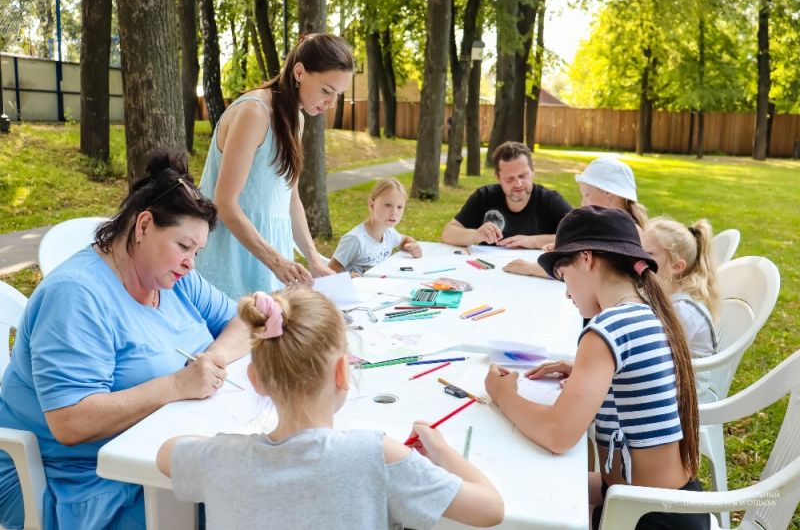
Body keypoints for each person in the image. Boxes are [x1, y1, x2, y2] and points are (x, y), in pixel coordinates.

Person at [0, 150, 250, 530]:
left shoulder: (174, 278)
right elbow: (71, 423)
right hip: (68, 478)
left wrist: (210, 360)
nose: (191, 262)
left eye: (197, 252)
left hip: (150, 450)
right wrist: (177, 385)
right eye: (184, 247)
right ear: (144, 225)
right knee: (230, 508)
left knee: (247, 490)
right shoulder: (76, 295)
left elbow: (245, 323)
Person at [156, 287, 504, 529]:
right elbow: (491, 509)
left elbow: (166, 453)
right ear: (342, 372)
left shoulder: (218, 458)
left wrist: (226, 448)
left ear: (255, 378)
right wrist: (441, 450)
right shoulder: (377, 456)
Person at [485, 206, 708, 530]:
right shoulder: (646, 312)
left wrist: (502, 394)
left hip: (646, 518)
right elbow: (635, 380)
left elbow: (557, 434)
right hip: (668, 505)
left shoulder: (608, 327)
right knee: (530, 487)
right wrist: (583, 370)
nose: (566, 291)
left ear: (586, 258)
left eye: (564, 274)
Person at [195, 33, 354, 299]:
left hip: (270, 257)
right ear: (300, 72)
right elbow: (225, 203)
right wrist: (275, 260)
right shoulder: (254, 112)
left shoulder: (296, 120)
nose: (331, 103)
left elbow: (289, 199)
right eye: (327, 90)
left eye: (337, 95)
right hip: (231, 255)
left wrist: (314, 259)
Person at [504, 157, 647, 278]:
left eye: (587, 195)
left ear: (608, 194)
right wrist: (569, 250)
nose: (582, 202)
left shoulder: (627, 234)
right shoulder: (612, 228)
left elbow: (587, 275)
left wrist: (531, 268)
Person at [441, 141, 571, 249]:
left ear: (533, 171)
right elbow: (448, 233)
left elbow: (581, 235)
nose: (518, 183)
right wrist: (475, 235)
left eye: (522, 176)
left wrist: (532, 241)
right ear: (498, 178)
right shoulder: (484, 196)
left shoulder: (550, 200)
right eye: (510, 179)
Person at [643, 217, 719, 401]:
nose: (638, 258)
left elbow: (650, 358)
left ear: (677, 266)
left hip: (681, 400)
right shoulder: (663, 294)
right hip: (664, 383)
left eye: (648, 253)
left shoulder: (683, 311)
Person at [329, 177, 422, 275]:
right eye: (388, 205)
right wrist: (348, 277)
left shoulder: (389, 233)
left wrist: (413, 246)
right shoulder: (355, 240)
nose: (394, 212)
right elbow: (328, 272)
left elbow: (404, 240)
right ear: (371, 205)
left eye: (399, 207)